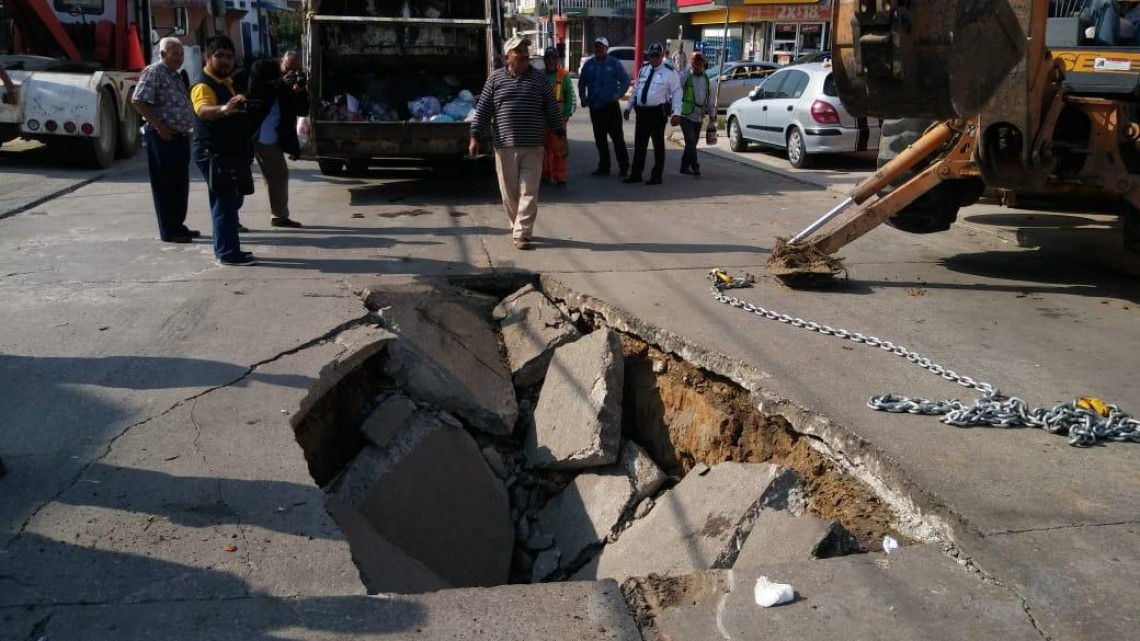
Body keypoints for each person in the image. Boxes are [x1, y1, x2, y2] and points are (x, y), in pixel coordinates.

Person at [469, 36, 567, 250]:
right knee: (510, 193)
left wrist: (560, 135)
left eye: (525, 50)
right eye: (518, 50)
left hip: (533, 146)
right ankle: (517, 225)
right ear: (507, 56)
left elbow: (551, 109)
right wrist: (474, 136)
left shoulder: (539, 80)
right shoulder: (495, 80)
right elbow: (483, 109)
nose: (524, 54)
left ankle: (522, 232)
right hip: (505, 146)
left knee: (529, 191)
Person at [190, 35, 256, 266]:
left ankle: (226, 249)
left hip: (227, 153)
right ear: (208, 58)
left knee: (227, 201)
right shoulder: (202, 85)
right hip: (213, 153)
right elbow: (203, 110)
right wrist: (226, 108)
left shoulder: (224, 81)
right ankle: (228, 253)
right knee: (224, 203)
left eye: (229, 56)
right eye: (219, 56)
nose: (226, 61)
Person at [132, 37, 197, 244]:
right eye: (174, 54)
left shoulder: (176, 76)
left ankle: (178, 225)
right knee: (166, 185)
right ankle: (169, 230)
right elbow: (138, 100)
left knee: (180, 184)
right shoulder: (154, 72)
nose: (179, 58)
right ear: (162, 55)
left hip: (180, 136)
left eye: (181, 54)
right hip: (162, 137)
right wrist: (160, 126)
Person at [246, 51, 309, 228]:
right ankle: (277, 216)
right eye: (288, 68)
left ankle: (279, 215)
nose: (290, 73)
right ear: (281, 62)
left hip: (272, 135)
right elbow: (254, 90)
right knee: (242, 176)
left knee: (278, 174)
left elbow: (303, 111)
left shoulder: (294, 82)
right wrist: (280, 83)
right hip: (255, 130)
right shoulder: (262, 67)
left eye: (295, 71)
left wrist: (300, 91)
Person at [624, 43, 683, 186]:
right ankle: (636, 174)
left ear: (662, 56)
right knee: (640, 144)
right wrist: (629, 106)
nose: (654, 58)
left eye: (657, 55)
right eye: (652, 55)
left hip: (658, 113)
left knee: (657, 145)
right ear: (648, 56)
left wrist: (677, 113)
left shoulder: (670, 72)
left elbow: (677, 92)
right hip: (642, 113)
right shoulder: (643, 70)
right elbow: (637, 90)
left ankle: (657, 176)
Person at [578, 36, 630, 177]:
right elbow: (582, 82)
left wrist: (617, 95)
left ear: (606, 48)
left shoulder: (614, 64)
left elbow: (625, 81)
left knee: (617, 139)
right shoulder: (589, 65)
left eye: (601, 46)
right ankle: (604, 166)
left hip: (611, 107)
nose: (598, 49)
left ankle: (624, 167)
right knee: (600, 139)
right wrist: (583, 97)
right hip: (595, 107)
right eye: (596, 46)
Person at [541, 47, 574, 188]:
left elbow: (570, 99)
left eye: (553, 58)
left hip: (558, 120)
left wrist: (566, 116)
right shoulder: (540, 76)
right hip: (542, 120)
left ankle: (560, 176)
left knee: (559, 150)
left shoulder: (563, 76)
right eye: (548, 58)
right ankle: (546, 175)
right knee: (543, 150)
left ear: (557, 60)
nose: (550, 61)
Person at [678, 50, 712, 177]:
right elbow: (677, 92)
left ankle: (684, 167)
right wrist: (675, 111)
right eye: (696, 62)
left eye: (700, 62)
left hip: (699, 115)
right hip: (686, 114)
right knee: (691, 142)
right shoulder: (686, 75)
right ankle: (695, 165)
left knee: (692, 143)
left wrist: (712, 113)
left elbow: (708, 96)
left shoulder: (706, 77)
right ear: (692, 63)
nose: (698, 65)